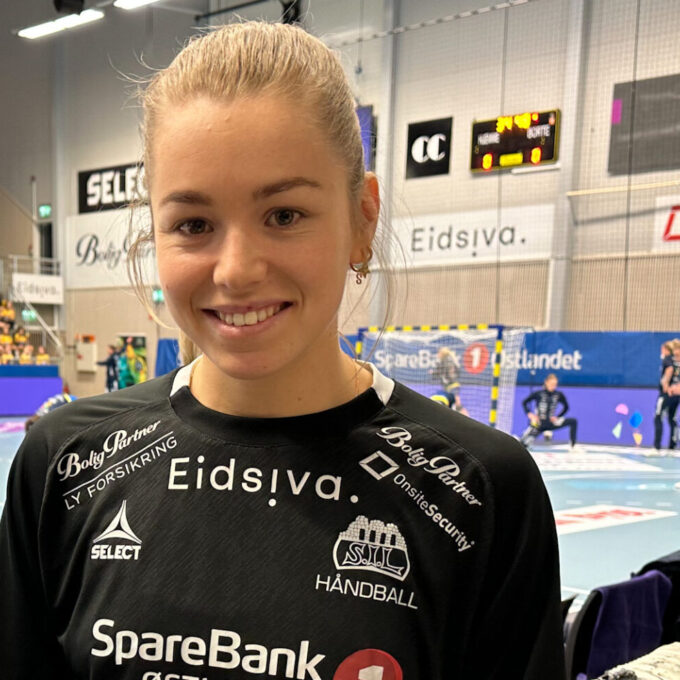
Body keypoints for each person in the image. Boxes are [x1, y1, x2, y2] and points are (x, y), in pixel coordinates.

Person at [0, 22, 564, 679]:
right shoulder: (65, 464)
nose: (236, 270)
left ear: (363, 219)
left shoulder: (478, 493)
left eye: (284, 215)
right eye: (193, 224)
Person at [520, 373, 579, 450]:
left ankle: (573, 446)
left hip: (552, 423)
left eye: (555, 384)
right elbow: (524, 402)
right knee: (523, 444)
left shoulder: (558, 395)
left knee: (573, 421)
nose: (553, 386)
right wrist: (529, 414)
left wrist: (557, 417)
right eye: (551, 384)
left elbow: (566, 407)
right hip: (539, 424)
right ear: (546, 382)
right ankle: (528, 439)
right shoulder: (538, 394)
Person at [429, 346, 470, 416]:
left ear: (442, 354)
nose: (437, 355)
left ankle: (467, 417)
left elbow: (440, 373)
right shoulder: (449, 361)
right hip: (450, 385)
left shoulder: (445, 362)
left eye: (438, 353)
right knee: (454, 403)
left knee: (457, 404)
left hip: (452, 385)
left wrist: (433, 372)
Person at [654, 340, 676, 451]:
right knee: (672, 418)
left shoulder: (667, 359)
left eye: (662, 349)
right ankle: (672, 444)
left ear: (667, 349)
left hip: (666, 394)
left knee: (658, 416)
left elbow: (670, 370)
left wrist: (665, 384)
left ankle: (657, 445)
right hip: (675, 394)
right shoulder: (676, 360)